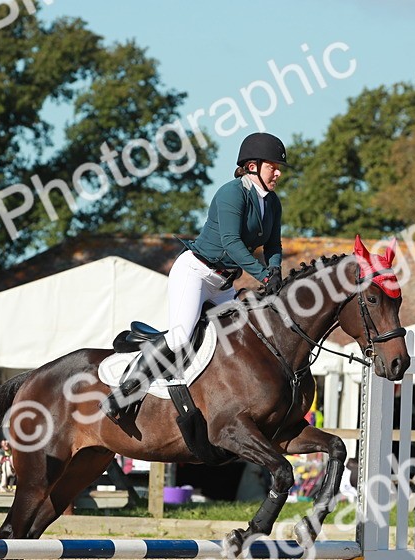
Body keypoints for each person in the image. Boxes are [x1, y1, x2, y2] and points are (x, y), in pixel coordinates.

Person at [103, 131, 288, 420]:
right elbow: (231, 242)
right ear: (252, 166)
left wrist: (276, 270)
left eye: (278, 168)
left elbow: (274, 244)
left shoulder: (272, 202)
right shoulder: (231, 193)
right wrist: (264, 276)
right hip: (196, 273)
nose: (277, 173)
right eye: (272, 166)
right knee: (179, 338)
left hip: (224, 283)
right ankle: (123, 393)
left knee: (234, 341)